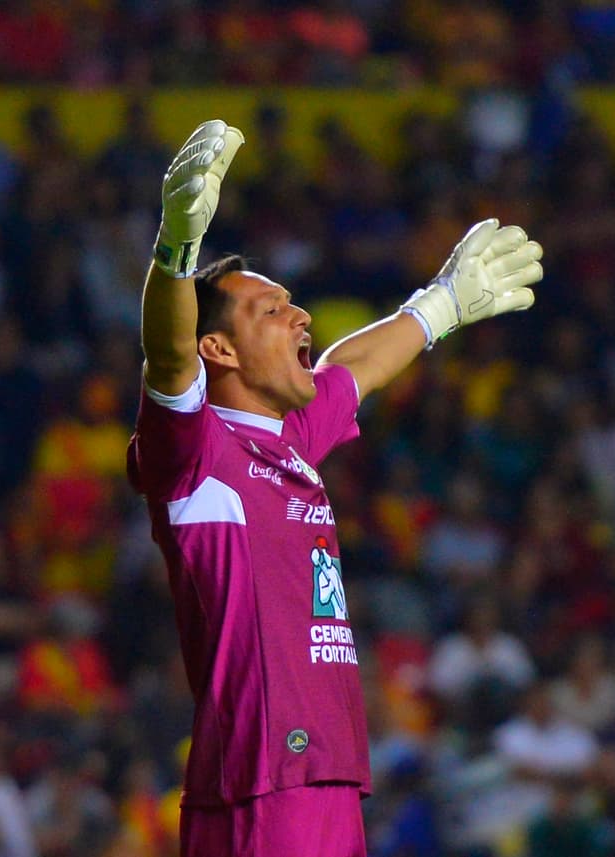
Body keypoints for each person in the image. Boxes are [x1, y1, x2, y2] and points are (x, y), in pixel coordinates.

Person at [126, 120, 542, 857]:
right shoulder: (196, 452)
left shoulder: (291, 441)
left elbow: (358, 368)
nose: (301, 315)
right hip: (265, 781)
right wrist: (177, 247)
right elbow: (166, 357)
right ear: (217, 347)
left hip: (328, 777)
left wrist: (442, 302)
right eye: (271, 309)